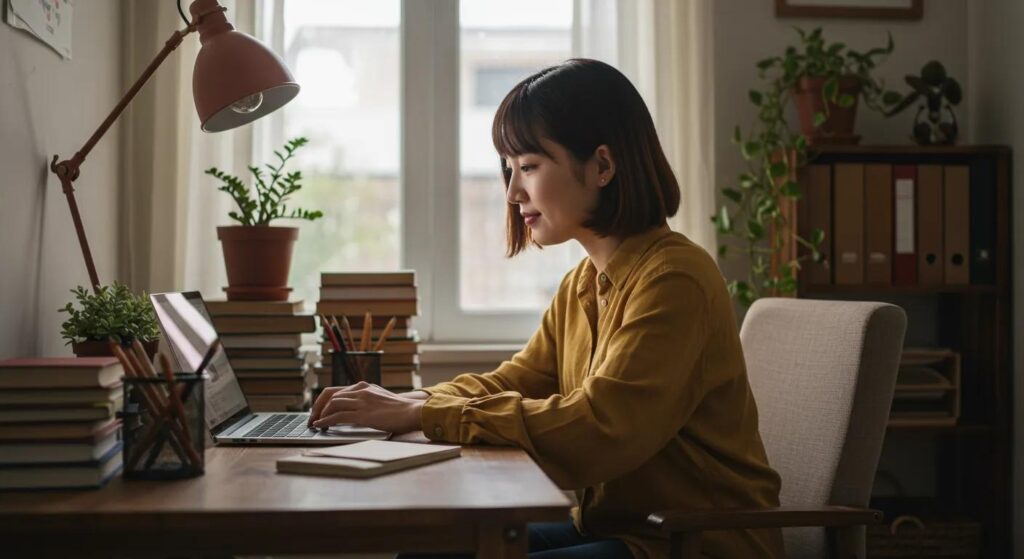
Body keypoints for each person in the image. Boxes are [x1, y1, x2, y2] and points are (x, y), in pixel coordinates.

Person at [308, 58, 783, 559]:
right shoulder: (584, 282)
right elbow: (518, 379)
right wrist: (404, 403)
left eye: (529, 166)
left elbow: (600, 429)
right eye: (509, 170)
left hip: (693, 541)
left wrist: (428, 413)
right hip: (615, 527)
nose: (513, 193)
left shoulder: (674, 280)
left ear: (602, 165)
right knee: (430, 550)